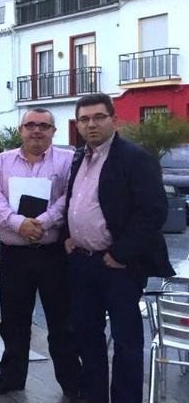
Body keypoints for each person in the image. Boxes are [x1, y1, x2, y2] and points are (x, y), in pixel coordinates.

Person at [63, 93, 175, 403]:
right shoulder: (78, 158)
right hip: (82, 263)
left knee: (126, 341)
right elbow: (75, 202)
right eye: (84, 119)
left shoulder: (135, 158)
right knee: (87, 337)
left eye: (98, 117)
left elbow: (153, 211)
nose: (91, 124)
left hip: (119, 267)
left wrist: (120, 253)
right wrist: (68, 237)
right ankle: (94, 396)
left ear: (114, 119)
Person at [0, 108, 80, 398]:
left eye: (43, 126)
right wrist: (18, 224)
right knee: (14, 322)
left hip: (53, 254)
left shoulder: (69, 160)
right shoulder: (1, 162)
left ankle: (72, 383)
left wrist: (44, 221)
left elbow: (71, 197)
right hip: (15, 255)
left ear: (54, 131)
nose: (36, 130)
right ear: (20, 129)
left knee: (62, 322)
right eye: (30, 125)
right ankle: (11, 378)